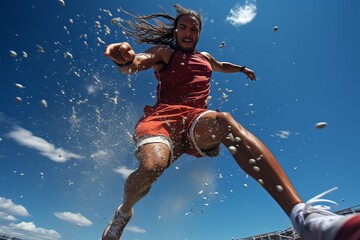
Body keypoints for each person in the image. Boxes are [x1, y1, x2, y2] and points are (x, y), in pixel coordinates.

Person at [102, 5, 360, 240]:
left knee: (224, 121)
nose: (188, 32)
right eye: (183, 27)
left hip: (195, 119)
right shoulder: (165, 53)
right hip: (162, 119)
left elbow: (221, 65)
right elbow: (138, 62)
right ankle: (124, 212)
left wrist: (241, 68)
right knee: (152, 168)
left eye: (194, 28)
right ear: (176, 31)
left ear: (199, 33)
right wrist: (125, 59)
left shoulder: (205, 57)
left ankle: (304, 218)